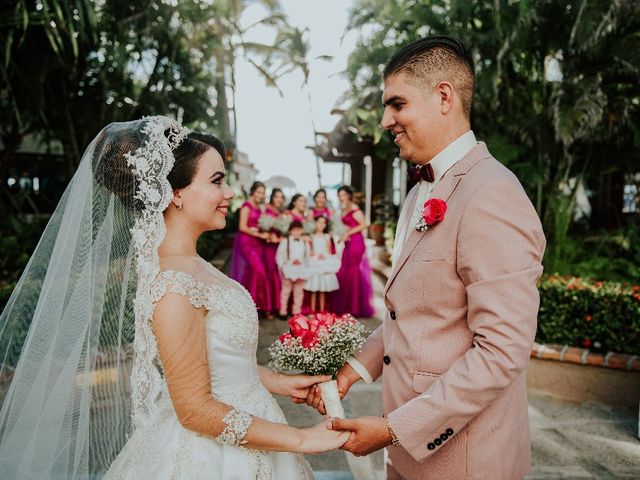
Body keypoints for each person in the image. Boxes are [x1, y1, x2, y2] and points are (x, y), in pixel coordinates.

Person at [0, 117, 348, 479]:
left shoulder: (194, 265)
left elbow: (215, 360)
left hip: (248, 423)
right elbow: (195, 409)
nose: (229, 193)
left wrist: (275, 380)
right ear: (175, 193)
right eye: (216, 181)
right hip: (210, 458)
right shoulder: (174, 284)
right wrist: (303, 438)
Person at [308, 36, 546, 480]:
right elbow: (412, 313)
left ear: (443, 97)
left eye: (396, 104)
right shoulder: (418, 193)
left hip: (466, 460)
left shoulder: (493, 194)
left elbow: (502, 351)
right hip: (407, 455)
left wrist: (395, 428)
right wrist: (352, 371)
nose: (385, 120)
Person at [229, 181, 273, 315]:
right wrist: (259, 233)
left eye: (263, 193)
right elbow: (242, 227)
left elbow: (260, 224)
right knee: (259, 271)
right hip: (247, 242)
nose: (261, 195)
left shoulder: (260, 208)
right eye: (259, 192)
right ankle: (251, 305)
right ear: (253, 191)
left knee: (253, 273)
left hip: (257, 243)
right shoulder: (246, 206)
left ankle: (255, 307)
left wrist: (266, 231)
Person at [333, 185, 375, 318]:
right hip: (348, 242)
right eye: (340, 195)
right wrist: (342, 233)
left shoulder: (355, 208)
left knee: (353, 271)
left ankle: (355, 306)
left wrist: (348, 232)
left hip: (356, 242)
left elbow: (364, 224)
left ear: (349, 195)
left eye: (344, 195)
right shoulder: (343, 208)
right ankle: (347, 304)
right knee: (345, 270)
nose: (342, 197)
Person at [305, 216, 340, 313]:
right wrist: (315, 256)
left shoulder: (327, 236)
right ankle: (312, 310)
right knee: (314, 288)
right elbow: (310, 251)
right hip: (315, 263)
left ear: (325, 225)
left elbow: (329, 251)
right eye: (319, 222)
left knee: (322, 289)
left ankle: (322, 310)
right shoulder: (311, 236)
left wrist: (325, 256)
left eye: (323, 223)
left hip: (324, 263)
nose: (321, 225)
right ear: (315, 223)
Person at [276, 221, 309, 318]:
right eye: (294, 230)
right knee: (286, 291)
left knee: (299, 291)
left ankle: (296, 312)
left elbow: (307, 256)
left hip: (300, 269)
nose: (296, 232)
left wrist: (302, 263)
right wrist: (283, 266)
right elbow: (280, 255)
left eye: (298, 230)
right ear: (290, 231)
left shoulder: (304, 242)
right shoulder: (285, 242)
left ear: (302, 231)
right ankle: (283, 311)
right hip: (288, 269)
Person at [262, 188, 286, 319]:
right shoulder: (268, 211)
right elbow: (264, 228)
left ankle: (277, 306)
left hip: (279, 247)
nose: (279, 199)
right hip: (269, 247)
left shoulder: (281, 213)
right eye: (277, 196)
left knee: (278, 274)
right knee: (270, 275)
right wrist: (271, 235)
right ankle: (268, 308)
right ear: (272, 197)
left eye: (281, 197)